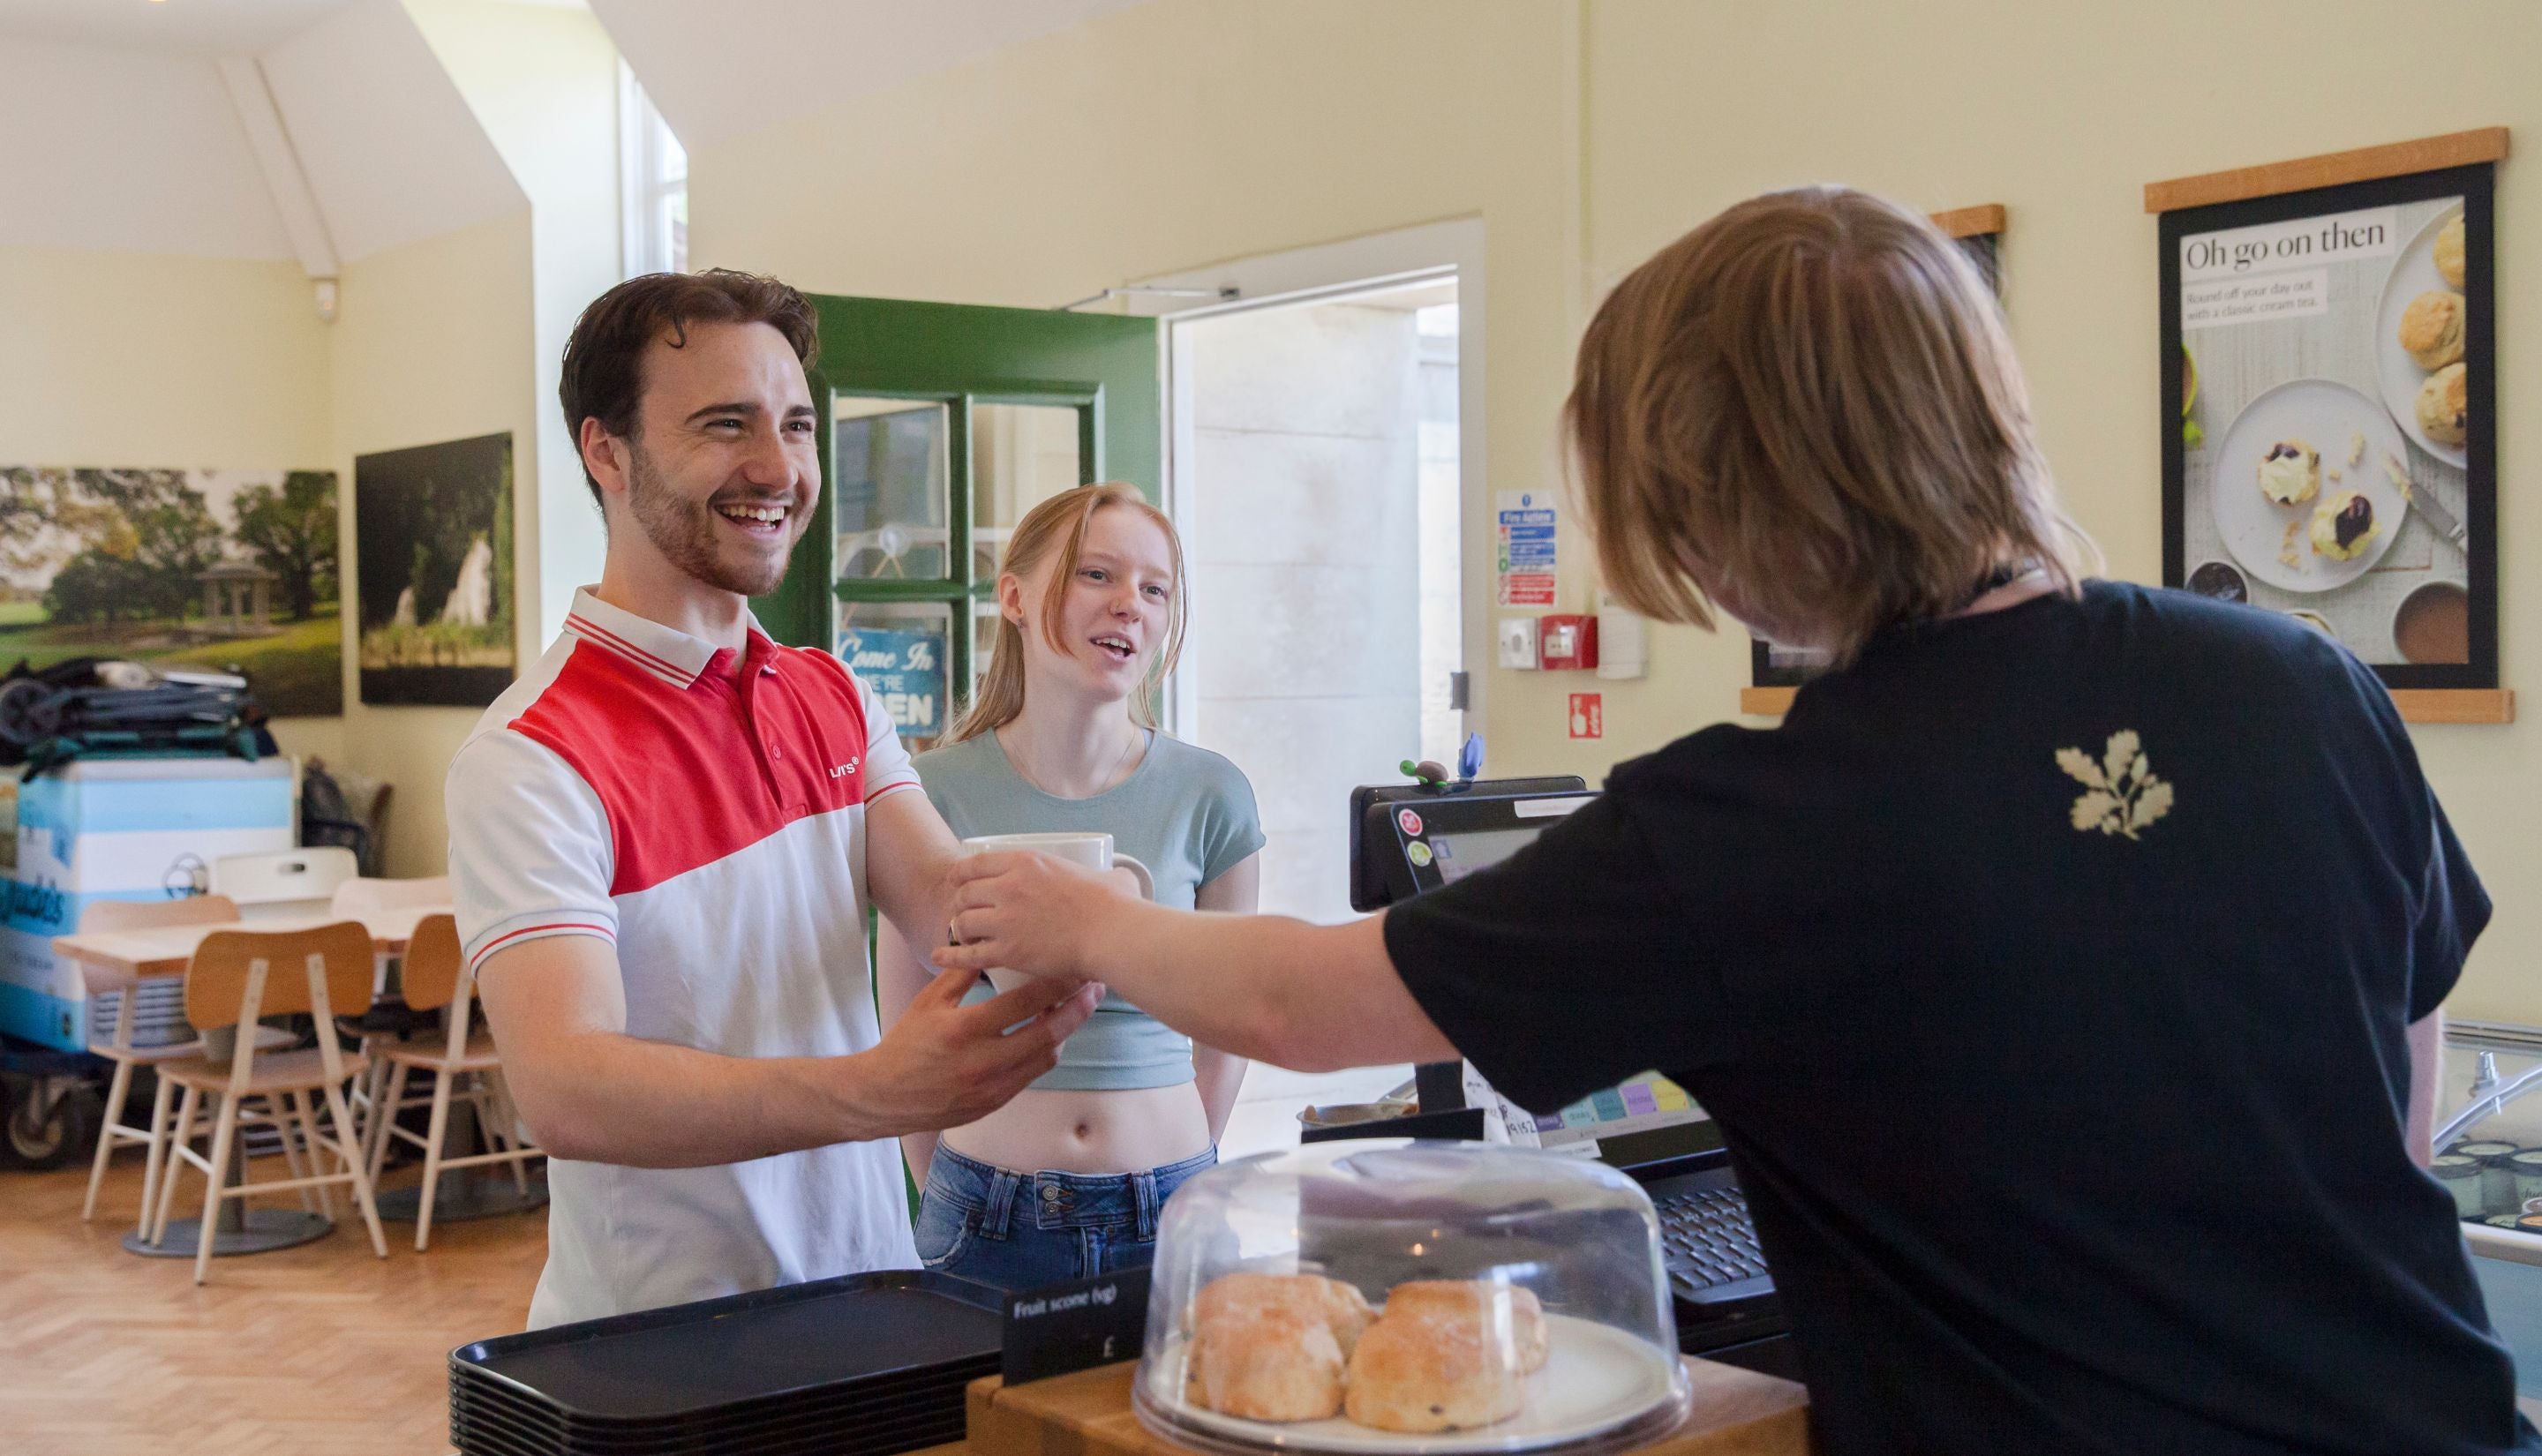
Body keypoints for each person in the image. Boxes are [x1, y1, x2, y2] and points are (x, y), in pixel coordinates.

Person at [936, 190, 2537, 1455]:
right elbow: (2407, 1046)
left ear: (1724, 499)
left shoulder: (1753, 818)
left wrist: (1086, 921)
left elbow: (1306, 1003)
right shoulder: (2293, 674)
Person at [446, 270, 1101, 1328]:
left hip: (864, 1297)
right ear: (605, 451)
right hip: (662, 1346)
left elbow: (950, 911)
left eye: (797, 426)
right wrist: (877, 1090)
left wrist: (1109, 907)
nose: (778, 468)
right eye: (725, 425)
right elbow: (565, 1086)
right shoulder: (531, 754)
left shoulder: (829, 692)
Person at [877, 482, 1261, 1290]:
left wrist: (1179, 1167)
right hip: (982, 1206)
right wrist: (943, 1175)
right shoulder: (929, 793)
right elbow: (907, 1019)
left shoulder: (1214, 794)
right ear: (1012, 597)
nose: (1131, 604)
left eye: (1155, 589)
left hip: (1171, 1200)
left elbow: (1230, 1025)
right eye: (1097, 575)